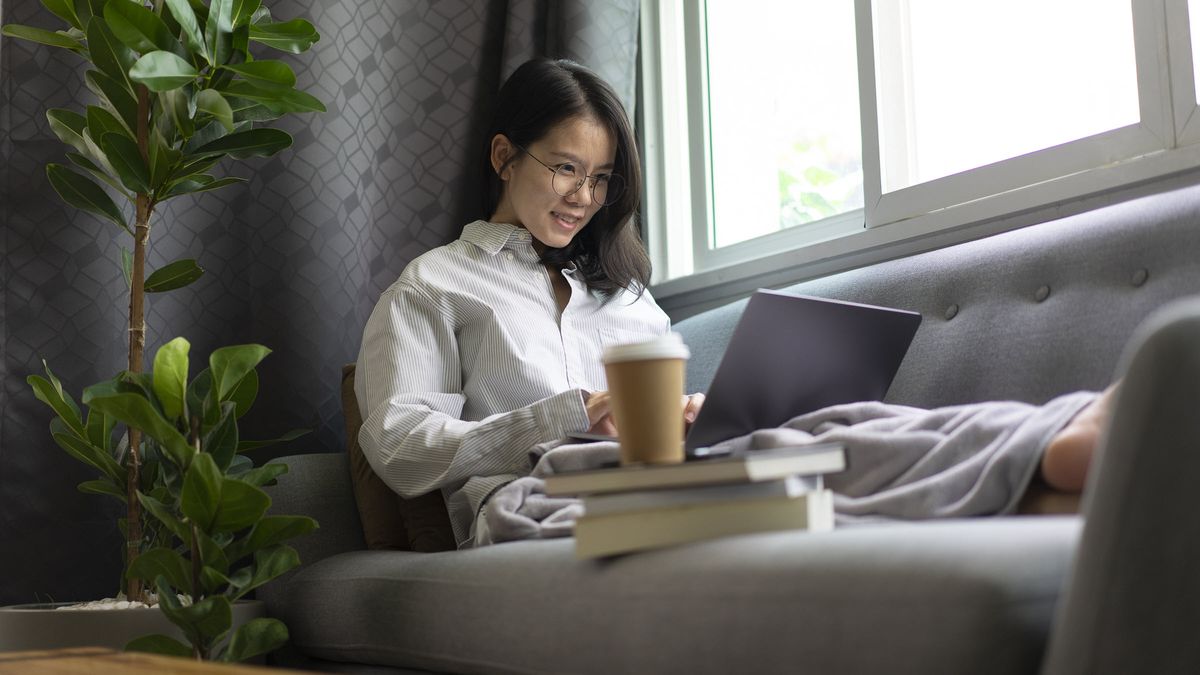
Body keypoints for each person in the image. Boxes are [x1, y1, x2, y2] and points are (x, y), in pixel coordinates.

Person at [356, 58, 1109, 549]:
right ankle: (1058, 447)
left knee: (827, 433)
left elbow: (662, 405)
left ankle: (1054, 449)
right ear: (502, 156)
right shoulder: (435, 285)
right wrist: (571, 411)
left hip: (654, 471)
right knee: (790, 465)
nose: (584, 197)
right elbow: (397, 444)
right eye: (564, 168)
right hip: (530, 501)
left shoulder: (620, 295)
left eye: (601, 178)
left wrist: (691, 411)